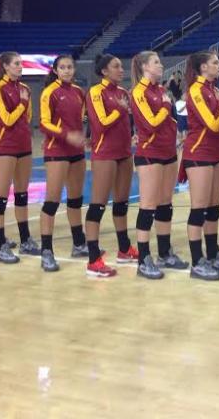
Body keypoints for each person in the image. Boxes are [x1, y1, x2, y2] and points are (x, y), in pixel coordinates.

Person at [131, 50, 188, 280]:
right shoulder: (139, 92)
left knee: (165, 204)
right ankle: (144, 259)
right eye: (156, 62)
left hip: (168, 152)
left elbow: (168, 120)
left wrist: (177, 135)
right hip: (150, 154)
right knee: (148, 205)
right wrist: (166, 107)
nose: (161, 65)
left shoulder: (161, 90)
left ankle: (165, 253)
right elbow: (151, 123)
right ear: (145, 67)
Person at [85, 54, 138, 278]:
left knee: (121, 203)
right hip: (105, 153)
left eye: (121, 65)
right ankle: (93, 259)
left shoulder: (123, 93)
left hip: (124, 153)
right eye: (116, 66)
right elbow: (101, 122)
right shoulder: (96, 92)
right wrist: (119, 109)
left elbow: (129, 123)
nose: (121, 69)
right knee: (98, 205)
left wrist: (133, 136)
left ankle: (124, 248)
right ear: (104, 71)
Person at [38, 54, 89, 272]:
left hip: (77, 151)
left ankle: (79, 243)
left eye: (70, 67)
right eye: (63, 67)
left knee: (75, 200)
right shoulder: (49, 92)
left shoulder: (79, 92)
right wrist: (66, 135)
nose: (67, 71)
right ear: (56, 70)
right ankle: (46, 252)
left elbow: (84, 118)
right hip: (57, 150)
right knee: (52, 201)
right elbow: (43, 123)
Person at [181, 51, 219, 280]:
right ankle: (197, 261)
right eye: (215, 63)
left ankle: (212, 254)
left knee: (214, 209)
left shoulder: (213, 89)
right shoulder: (196, 90)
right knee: (199, 209)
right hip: (199, 153)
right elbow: (212, 123)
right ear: (202, 67)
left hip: (217, 154)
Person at [0, 51, 38, 263]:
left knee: (22, 194)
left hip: (24, 145)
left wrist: (23, 102)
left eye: (21, 63)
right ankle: (0, 244)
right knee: (1, 196)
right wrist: (21, 103)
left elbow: (27, 119)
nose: (20, 66)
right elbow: (7, 119)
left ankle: (25, 239)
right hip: (5, 146)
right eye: (16, 64)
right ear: (5, 67)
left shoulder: (25, 89)